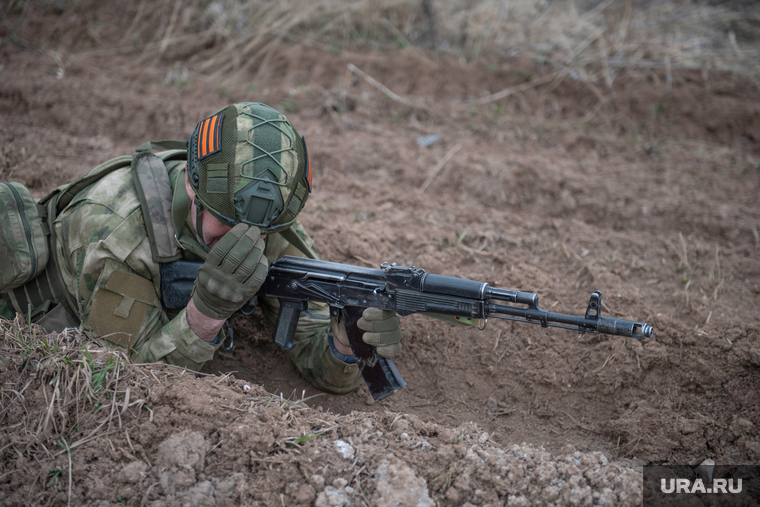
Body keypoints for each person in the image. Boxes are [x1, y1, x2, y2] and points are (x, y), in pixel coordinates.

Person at [0, 102, 402, 394]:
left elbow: (320, 361)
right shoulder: (119, 232)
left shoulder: (264, 217)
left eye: (264, 228)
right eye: (226, 222)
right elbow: (121, 384)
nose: (244, 238)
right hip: (38, 322)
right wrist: (204, 316)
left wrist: (344, 342)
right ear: (192, 186)